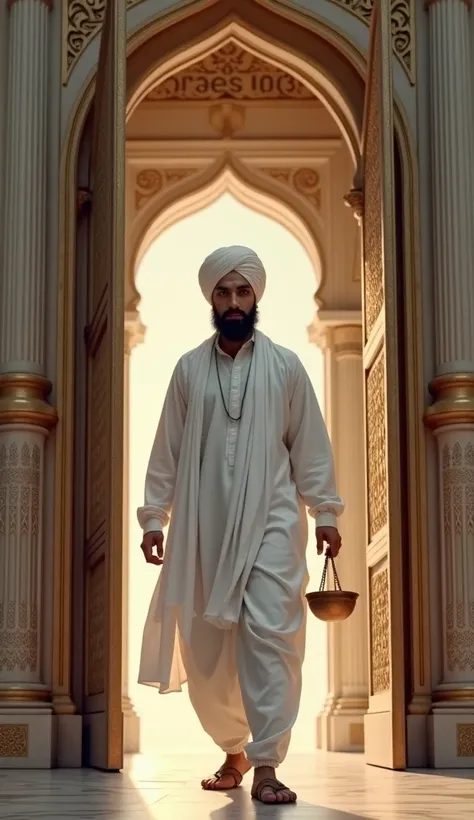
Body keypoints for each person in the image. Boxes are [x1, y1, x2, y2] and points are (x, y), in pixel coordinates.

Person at [138, 245, 344, 805]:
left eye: (243, 291)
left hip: (274, 520)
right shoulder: (188, 369)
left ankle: (268, 763)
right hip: (202, 526)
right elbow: (168, 451)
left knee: (270, 637)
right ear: (212, 298)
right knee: (205, 648)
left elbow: (311, 447)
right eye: (224, 292)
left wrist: (324, 510)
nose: (234, 301)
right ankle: (232, 748)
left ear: (257, 297)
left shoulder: (286, 368)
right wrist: (154, 516)